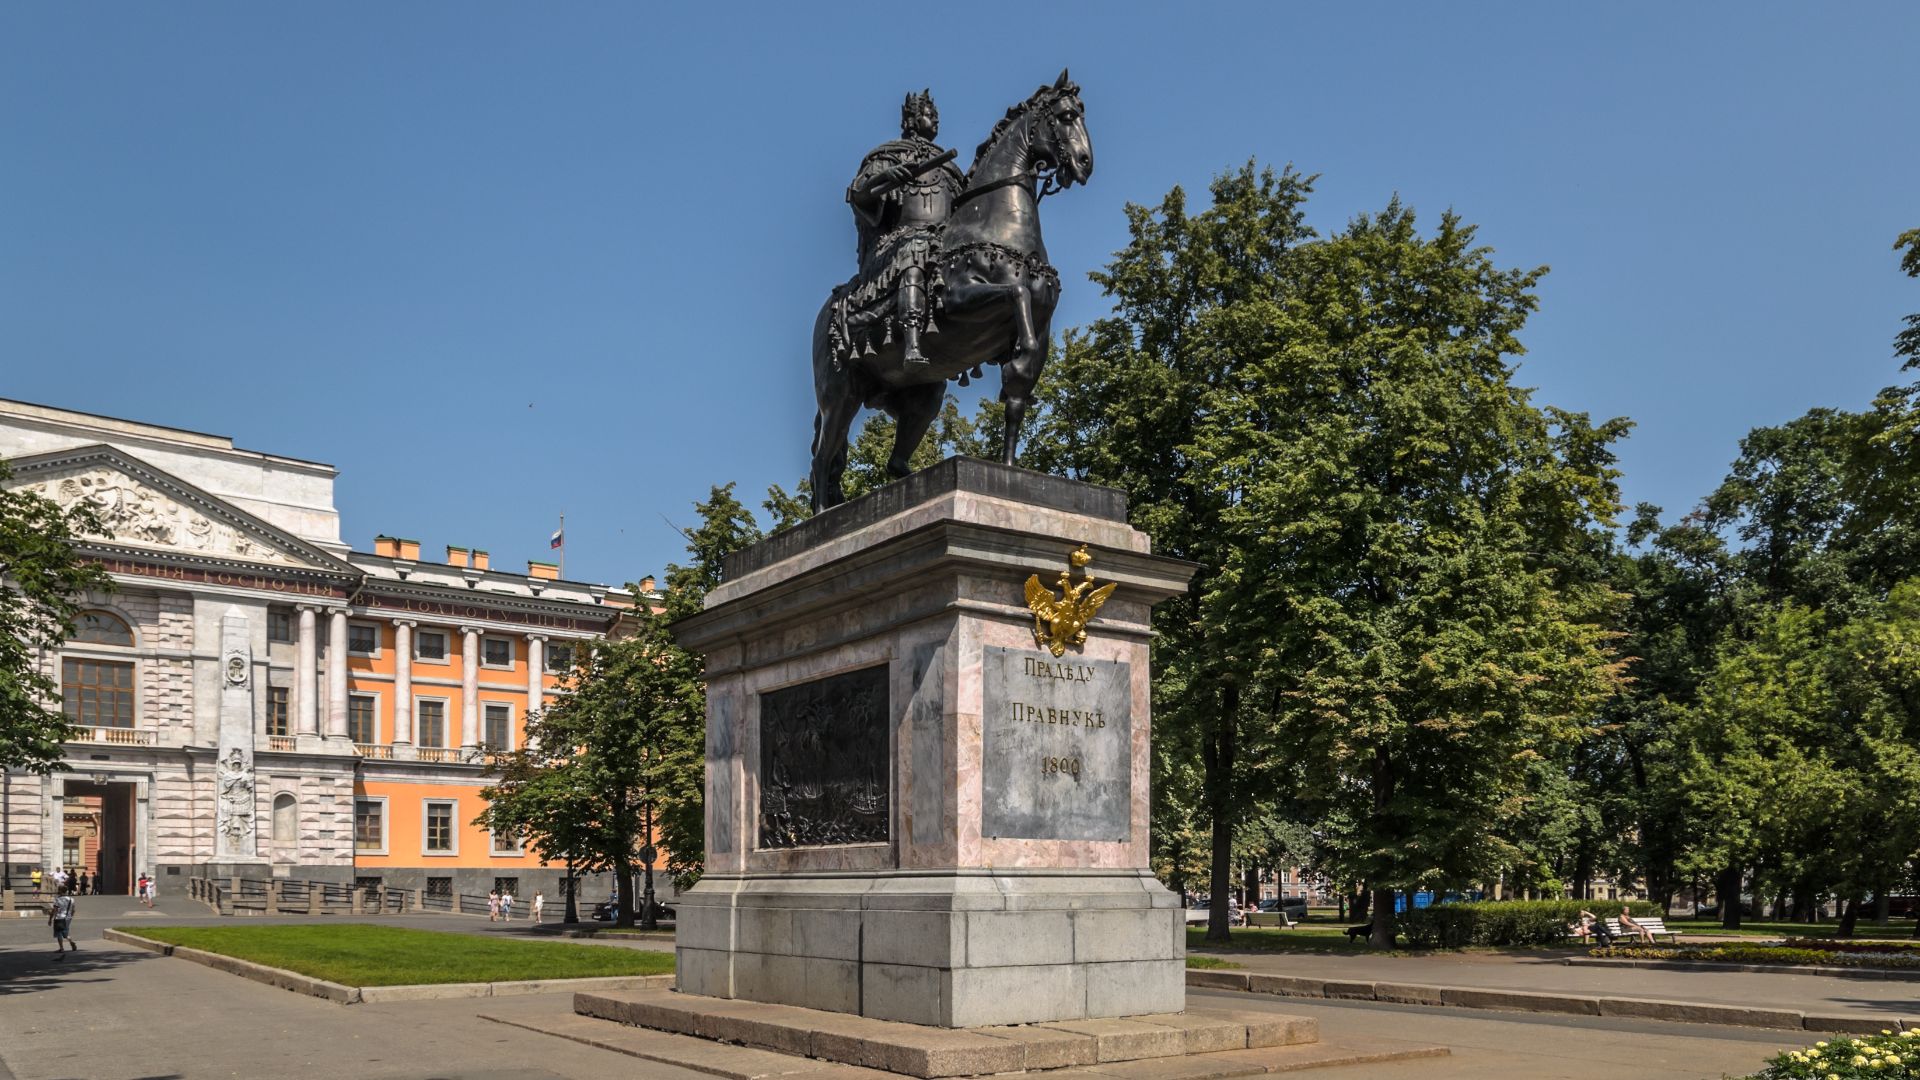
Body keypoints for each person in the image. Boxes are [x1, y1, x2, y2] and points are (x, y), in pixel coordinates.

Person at [840, 89, 965, 369]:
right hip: (898, 243)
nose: (935, 121)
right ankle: (912, 344)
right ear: (911, 119)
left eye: (936, 116)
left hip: (943, 241)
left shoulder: (950, 169)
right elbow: (859, 193)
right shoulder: (888, 156)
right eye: (929, 115)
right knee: (916, 247)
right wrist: (885, 176)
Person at [49, 885, 77, 958]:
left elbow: (54, 910)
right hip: (68, 917)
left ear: (60, 891)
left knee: (59, 933)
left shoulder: (57, 899)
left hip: (59, 917)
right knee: (65, 931)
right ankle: (71, 941)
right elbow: (73, 910)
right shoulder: (71, 899)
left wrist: (50, 919)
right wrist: (70, 916)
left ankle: (61, 948)